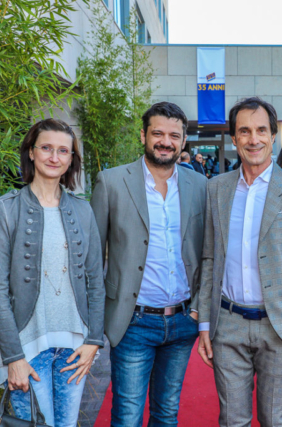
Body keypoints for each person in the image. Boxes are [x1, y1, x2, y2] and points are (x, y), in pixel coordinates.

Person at [197, 97, 282, 427]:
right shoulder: (216, 189)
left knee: (275, 421)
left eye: (261, 130)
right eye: (244, 131)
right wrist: (205, 324)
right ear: (234, 138)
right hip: (228, 325)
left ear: (273, 135)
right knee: (232, 421)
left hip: (280, 326)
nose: (253, 139)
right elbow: (209, 258)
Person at [90, 102, 207, 426]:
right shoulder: (111, 182)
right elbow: (92, 257)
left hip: (183, 322)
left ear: (183, 141)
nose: (165, 142)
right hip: (133, 322)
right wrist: (94, 323)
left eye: (174, 135)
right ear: (144, 135)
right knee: (127, 417)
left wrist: (198, 308)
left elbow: (209, 252)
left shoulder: (200, 185)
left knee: (166, 414)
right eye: (158, 133)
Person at [0, 118, 105, 426]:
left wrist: (93, 341)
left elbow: (96, 281)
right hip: (26, 346)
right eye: (46, 148)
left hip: (75, 345)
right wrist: (13, 357)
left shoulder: (82, 210)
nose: (54, 157)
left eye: (63, 151)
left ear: (71, 159)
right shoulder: (7, 208)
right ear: (31, 152)